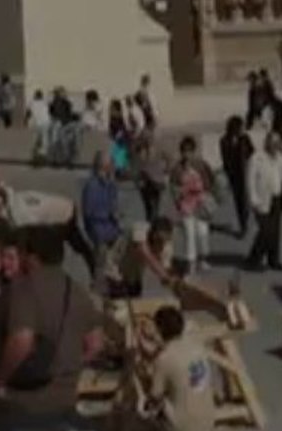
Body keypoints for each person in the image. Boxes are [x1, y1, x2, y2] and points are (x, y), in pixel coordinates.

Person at [0, 225, 104, 431]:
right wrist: (66, 368)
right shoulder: (77, 291)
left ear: (31, 256)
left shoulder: (23, 290)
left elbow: (21, 340)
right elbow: (95, 344)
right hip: (63, 400)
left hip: (22, 403)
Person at [146, 306, 214, 431]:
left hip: (182, 425)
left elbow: (155, 395)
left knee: (149, 412)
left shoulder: (165, 358)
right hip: (208, 418)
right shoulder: (197, 346)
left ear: (160, 329)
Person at [246, 132, 282, 272]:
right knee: (266, 231)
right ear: (266, 143)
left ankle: (273, 260)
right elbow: (250, 181)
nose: (275, 145)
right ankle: (254, 258)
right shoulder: (256, 158)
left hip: (277, 199)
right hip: (262, 200)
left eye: (277, 142)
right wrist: (253, 199)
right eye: (272, 142)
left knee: (275, 232)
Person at [171, 136, 216, 274]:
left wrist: (207, 195)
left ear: (194, 151)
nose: (187, 154)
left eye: (189, 151)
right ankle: (191, 263)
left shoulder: (201, 165)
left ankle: (202, 259)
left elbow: (211, 180)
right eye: (184, 151)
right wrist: (178, 201)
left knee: (202, 233)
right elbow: (173, 186)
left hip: (201, 204)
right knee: (190, 235)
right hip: (186, 205)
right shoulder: (178, 168)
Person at [102, 218, 175, 299]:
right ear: (152, 232)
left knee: (135, 304)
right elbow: (143, 250)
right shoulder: (140, 229)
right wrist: (164, 275)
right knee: (118, 305)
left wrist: (174, 283)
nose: (161, 243)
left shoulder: (167, 246)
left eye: (165, 240)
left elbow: (166, 269)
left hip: (134, 277)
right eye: (159, 239)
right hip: (115, 270)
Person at [80, 150, 122, 291]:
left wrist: (116, 215)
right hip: (98, 227)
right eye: (111, 164)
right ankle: (97, 285)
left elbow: (114, 204)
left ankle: (110, 281)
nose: (113, 167)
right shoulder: (91, 186)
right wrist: (109, 214)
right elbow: (89, 212)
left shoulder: (111, 185)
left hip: (110, 226)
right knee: (101, 258)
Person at [218, 116, 254, 237]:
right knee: (238, 200)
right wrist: (227, 173)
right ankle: (243, 223)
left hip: (246, 172)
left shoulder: (245, 139)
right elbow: (225, 158)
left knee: (245, 199)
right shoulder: (224, 140)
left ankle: (245, 222)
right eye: (240, 127)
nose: (241, 130)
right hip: (234, 174)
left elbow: (252, 152)